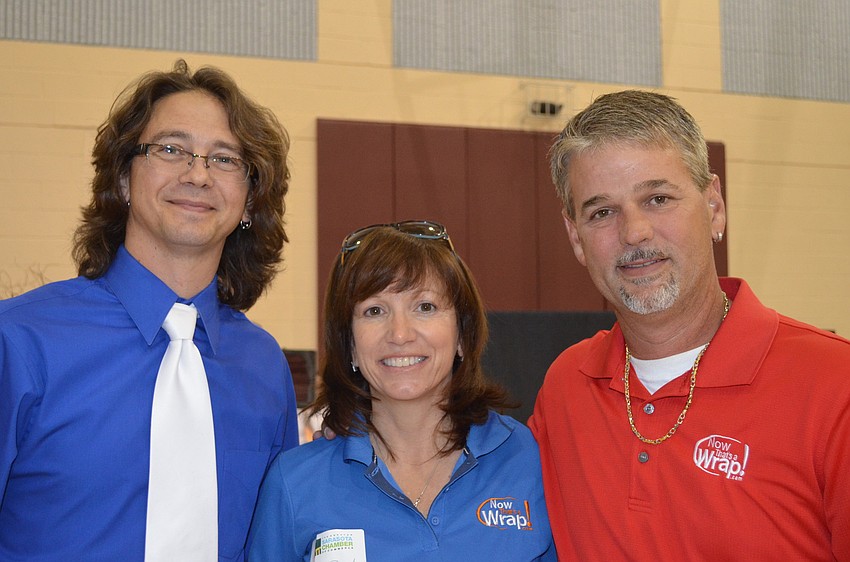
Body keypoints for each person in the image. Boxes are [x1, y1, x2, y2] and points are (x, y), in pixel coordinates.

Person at [529, 89, 850, 560]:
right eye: (602, 212)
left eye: (657, 198)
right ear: (576, 238)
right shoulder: (566, 388)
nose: (634, 232)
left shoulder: (833, 382)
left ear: (714, 206)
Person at [0, 60, 299, 560]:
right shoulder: (19, 340)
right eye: (170, 149)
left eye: (225, 159)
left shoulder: (264, 366)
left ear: (249, 203)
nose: (198, 173)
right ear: (122, 179)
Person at [247, 221, 556, 561]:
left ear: (462, 336)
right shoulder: (295, 482)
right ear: (350, 345)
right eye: (374, 311)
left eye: (425, 307)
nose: (399, 334)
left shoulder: (525, 458)